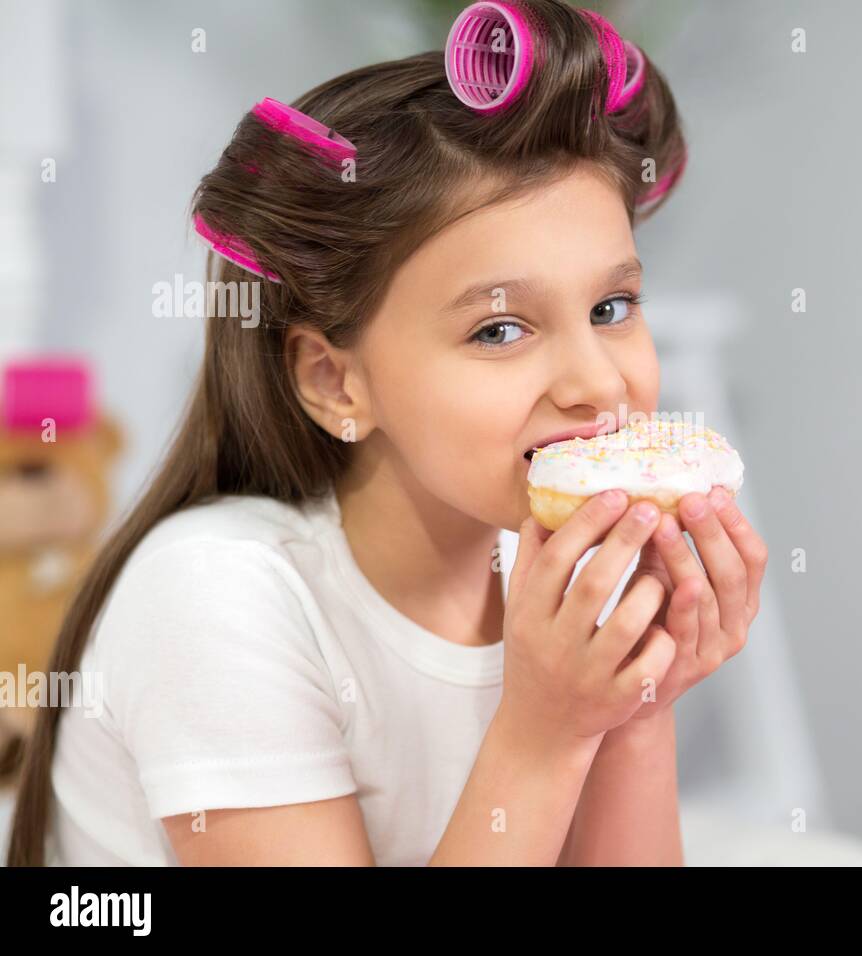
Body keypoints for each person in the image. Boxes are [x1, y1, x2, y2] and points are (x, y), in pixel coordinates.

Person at [5, 0, 766, 866]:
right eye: (500, 330)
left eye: (612, 307)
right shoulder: (214, 594)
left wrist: (638, 704)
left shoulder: (541, 572)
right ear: (335, 381)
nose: (599, 383)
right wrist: (545, 734)